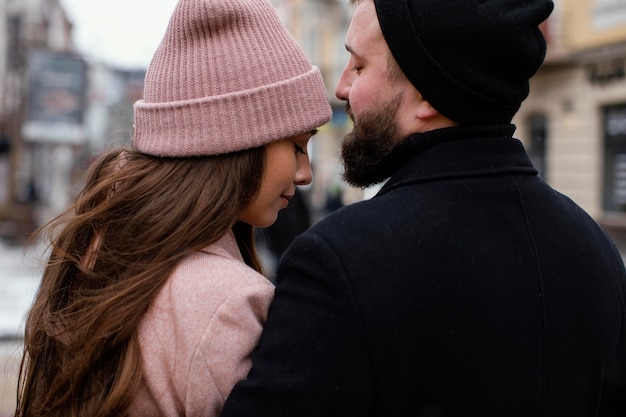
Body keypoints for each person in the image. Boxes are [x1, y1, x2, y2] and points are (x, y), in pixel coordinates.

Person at [220, 0, 626, 415]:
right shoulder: (596, 251)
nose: (341, 87)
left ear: (426, 94)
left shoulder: (340, 260)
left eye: (358, 67)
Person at [14, 0, 331, 414]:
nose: (305, 173)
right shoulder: (229, 304)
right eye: (296, 146)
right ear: (235, 144)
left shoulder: (94, 256)